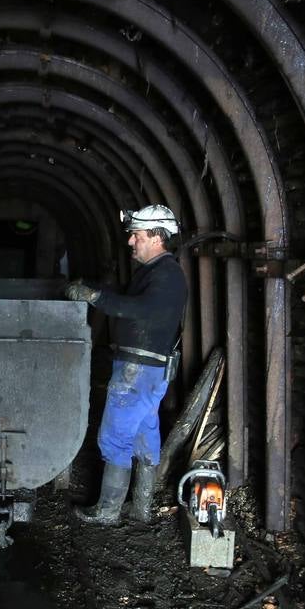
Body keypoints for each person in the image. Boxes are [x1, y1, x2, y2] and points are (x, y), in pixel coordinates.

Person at [64, 204, 187, 525]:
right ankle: (141, 508)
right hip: (148, 369)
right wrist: (98, 289)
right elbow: (133, 302)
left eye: (137, 235)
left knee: (115, 437)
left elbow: (139, 310)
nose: (131, 242)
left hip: (138, 369)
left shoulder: (167, 274)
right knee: (145, 437)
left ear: (158, 238)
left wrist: (95, 298)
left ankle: (108, 511)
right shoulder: (157, 272)